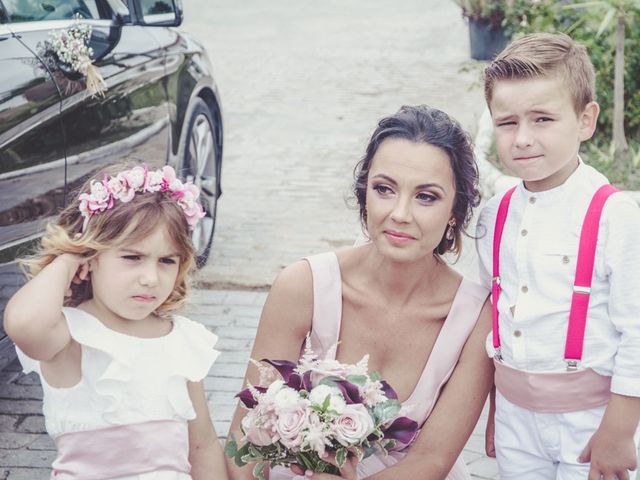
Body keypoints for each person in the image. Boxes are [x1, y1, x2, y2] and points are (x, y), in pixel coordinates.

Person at [227, 105, 493, 480]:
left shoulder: (475, 317)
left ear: (455, 211)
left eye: (426, 197)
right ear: (364, 192)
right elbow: (244, 438)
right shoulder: (302, 286)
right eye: (384, 189)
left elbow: (430, 462)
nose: (400, 213)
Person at [476, 32, 640, 480]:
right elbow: (500, 318)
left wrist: (620, 430)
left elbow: (637, 332)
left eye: (543, 119)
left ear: (585, 120)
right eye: (507, 123)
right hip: (516, 419)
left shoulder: (615, 215)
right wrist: (496, 409)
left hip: (593, 422)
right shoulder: (493, 217)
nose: (523, 138)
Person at [3, 163, 228, 480]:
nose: (150, 278)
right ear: (92, 256)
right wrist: (69, 259)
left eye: (166, 261)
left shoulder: (183, 341)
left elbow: (202, 445)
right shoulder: (70, 336)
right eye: (132, 257)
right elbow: (24, 324)